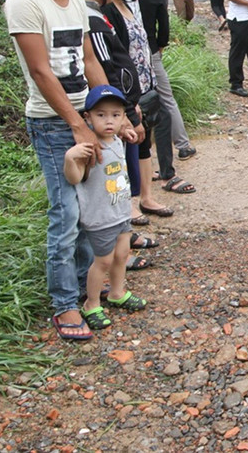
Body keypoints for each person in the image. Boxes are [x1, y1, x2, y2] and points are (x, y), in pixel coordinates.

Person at [4, 0, 109, 341]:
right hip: (52, 124)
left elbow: (88, 60)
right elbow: (41, 71)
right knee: (65, 214)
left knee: (89, 210)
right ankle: (64, 303)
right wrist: (77, 126)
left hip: (84, 115)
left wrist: (113, 112)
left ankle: (89, 290)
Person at [105, 0, 196, 217]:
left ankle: (147, 197)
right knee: (127, 147)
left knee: (145, 144)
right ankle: (130, 205)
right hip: (127, 93)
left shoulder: (131, 5)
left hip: (146, 86)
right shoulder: (108, 11)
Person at [76, 0, 153, 261]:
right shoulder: (92, 18)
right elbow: (104, 67)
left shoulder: (95, 13)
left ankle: (121, 241)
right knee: (111, 181)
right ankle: (110, 256)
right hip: (112, 112)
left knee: (119, 178)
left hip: (117, 109)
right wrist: (124, 113)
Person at [63, 85, 147, 331]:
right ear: (87, 117)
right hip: (100, 218)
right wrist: (71, 158)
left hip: (120, 212)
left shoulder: (117, 140)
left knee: (122, 255)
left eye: (115, 115)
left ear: (123, 118)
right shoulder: (89, 147)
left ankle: (117, 292)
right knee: (102, 261)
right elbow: (75, 178)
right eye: (101, 115)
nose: (108, 121)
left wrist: (127, 133)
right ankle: (91, 303)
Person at [115, 0, 197, 163]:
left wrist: (157, 47)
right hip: (128, 60)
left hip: (148, 56)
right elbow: (164, 28)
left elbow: (164, 27)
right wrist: (159, 45)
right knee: (155, 100)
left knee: (161, 99)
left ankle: (170, 150)